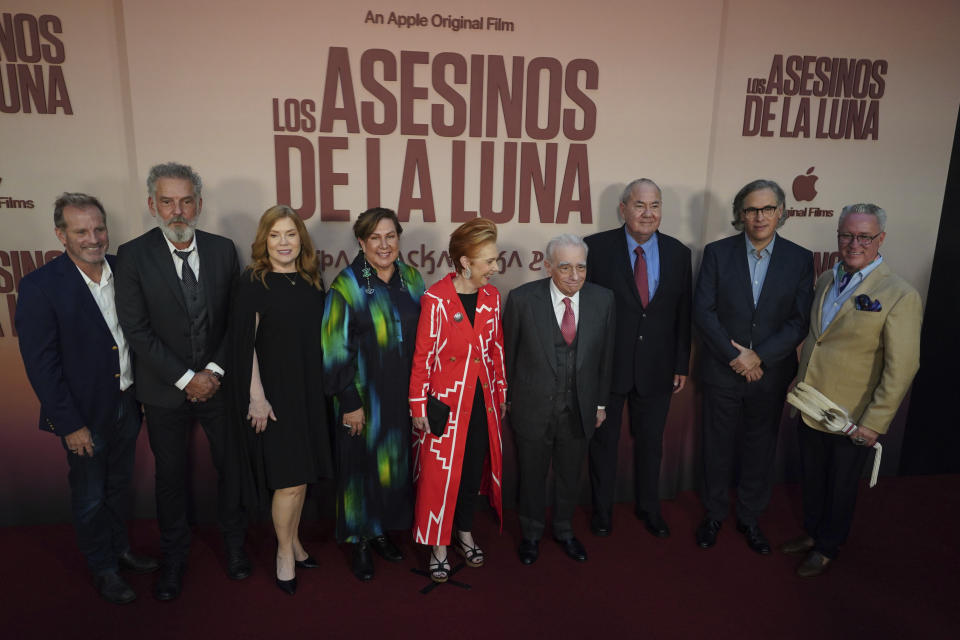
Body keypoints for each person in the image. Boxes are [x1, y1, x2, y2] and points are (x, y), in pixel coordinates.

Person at [16, 193, 158, 604]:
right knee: (90, 495)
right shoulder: (41, 286)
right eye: (81, 231)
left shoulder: (124, 271)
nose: (93, 238)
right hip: (82, 416)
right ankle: (103, 567)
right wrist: (70, 424)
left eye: (99, 228)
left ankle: (120, 549)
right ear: (61, 235)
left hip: (128, 404)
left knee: (117, 488)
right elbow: (42, 367)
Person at [115, 162, 247, 601]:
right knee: (170, 478)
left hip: (220, 384)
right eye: (168, 201)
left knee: (232, 468)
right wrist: (186, 377)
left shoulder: (224, 249)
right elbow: (136, 329)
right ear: (153, 205)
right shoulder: (133, 255)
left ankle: (234, 546)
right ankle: (173, 559)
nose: (178, 210)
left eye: (186, 201)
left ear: (199, 205)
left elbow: (236, 321)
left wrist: (215, 372)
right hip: (164, 390)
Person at [782, 203, 921, 577]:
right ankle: (812, 534)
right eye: (847, 235)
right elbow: (820, 339)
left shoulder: (899, 294)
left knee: (840, 486)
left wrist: (874, 421)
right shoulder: (827, 278)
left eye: (864, 236)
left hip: (852, 416)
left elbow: (903, 366)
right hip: (813, 404)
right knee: (812, 479)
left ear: (881, 239)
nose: (853, 243)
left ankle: (828, 546)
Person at [693, 179, 813, 554]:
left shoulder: (799, 258)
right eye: (751, 209)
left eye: (767, 209)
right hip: (721, 371)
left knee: (760, 449)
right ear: (740, 214)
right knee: (716, 447)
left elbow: (798, 320)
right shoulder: (717, 253)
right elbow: (704, 311)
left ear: (780, 212)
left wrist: (758, 357)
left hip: (770, 373)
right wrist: (737, 357)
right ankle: (713, 514)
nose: (759, 217)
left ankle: (749, 517)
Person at [227, 205, 333, 595]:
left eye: (290, 234)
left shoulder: (311, 281)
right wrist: (256, 397)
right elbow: (244, 346)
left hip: (309, 394)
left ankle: (297, 543)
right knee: (287, 482)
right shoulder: (254, 283)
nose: (284, 242)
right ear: (264, 241)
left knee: (301, 478)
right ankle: (284, 555)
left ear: (300, 240)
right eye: (275, 235)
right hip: (275, 397)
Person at [321, 207, 425, 581]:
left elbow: (426, 340)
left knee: (389, 469)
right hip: (363, 400)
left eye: (390, 236)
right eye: (375, 238)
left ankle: (379, 531)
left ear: (399, 238)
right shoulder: (347, 285)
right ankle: (359, 542)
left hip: (401, 398)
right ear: (362, 243)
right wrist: (349, 402)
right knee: (359, 472)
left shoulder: (413, 279)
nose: (384, 245)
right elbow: (334, 351)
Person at [584, 178, 692, 538]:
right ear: (623, 209)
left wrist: (680, 364)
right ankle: (601, 512)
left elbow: (683, 313)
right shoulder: (595, 249)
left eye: (655, 205)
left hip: (658, 368)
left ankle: (649, 508)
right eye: (640, 205)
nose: (648, 213)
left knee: (651, 445)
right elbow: (585, 312)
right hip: (608, 368)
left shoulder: (679, 253)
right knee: (603, 446)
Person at [504, 234, 615, 564]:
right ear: (547, 266)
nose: (574, 275)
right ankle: (531, 534)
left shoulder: (603, 299)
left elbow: (606, 357)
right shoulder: (523, 299)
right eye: (565, 267)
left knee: (569, 475)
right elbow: (507, 354)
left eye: (580, 267)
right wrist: (508, 399)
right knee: (532, 475)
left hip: (579, 408)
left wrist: (600, 404)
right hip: (532, 407)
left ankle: (565, 531)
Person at [409, 218, 507, 583]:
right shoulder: (435, 299)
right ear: (465, 262)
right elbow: (422, 357)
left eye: (495, 260)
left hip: (482, 403)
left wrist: (501, 395)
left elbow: (496, 350)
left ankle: (463, 532)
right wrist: (418, 406)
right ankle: (437, 543)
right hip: (445, 405)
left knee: (470, 474)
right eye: (489, 262)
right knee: (439, 477)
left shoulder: (492, 298)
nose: (495, 268)